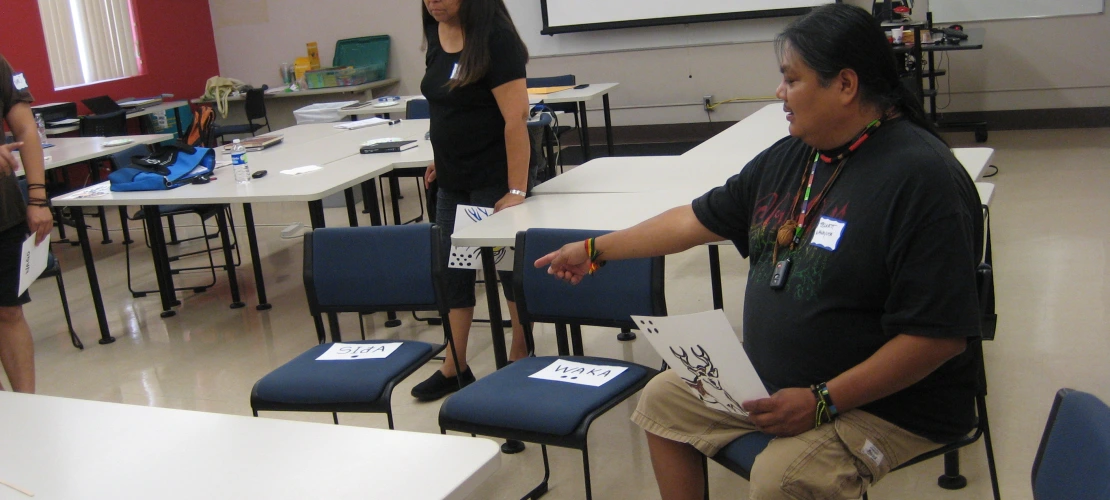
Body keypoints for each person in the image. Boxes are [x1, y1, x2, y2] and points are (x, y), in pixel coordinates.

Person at [535, 5, 983, 499]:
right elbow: (694, 220)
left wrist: (820, 401)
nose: (779, 93)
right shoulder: (796, 154)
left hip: (889, 405)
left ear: (846, 85)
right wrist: (596, 250)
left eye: (791, 80)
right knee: (663, 399)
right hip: (780, 382)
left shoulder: (923, 179)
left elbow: (938, 339)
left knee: (783, 478)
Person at [410, 0, 533, 401]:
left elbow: (516, 119)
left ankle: (521, 351)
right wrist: (439, 158)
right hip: (453, 177)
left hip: (493, 179)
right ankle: (455, 365)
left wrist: (515, 191)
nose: (434, 2)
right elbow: (447, 105)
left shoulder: (496, 39)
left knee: (506, 268)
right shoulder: (435, 33)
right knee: (453, 270)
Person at [1, 53, 53, 394]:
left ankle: (28, 406)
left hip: (3, 213)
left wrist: (37, 198)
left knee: (9, 312)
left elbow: (25, 129)